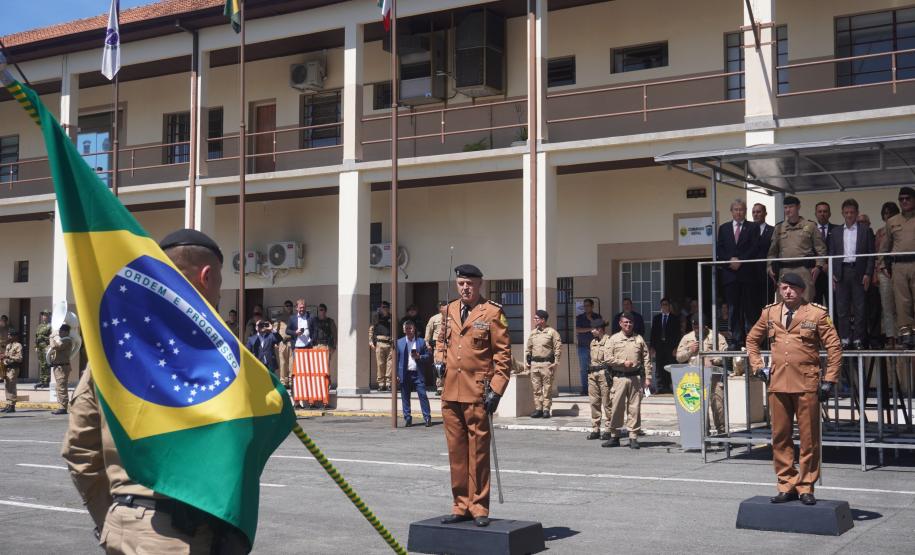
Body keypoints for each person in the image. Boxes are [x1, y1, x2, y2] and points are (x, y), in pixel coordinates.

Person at [63, 228, 247, 552]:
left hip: (120, 527)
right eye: (220, 280)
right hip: (181, 536)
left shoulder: (111, 352)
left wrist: (117, 515)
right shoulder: (218, 360)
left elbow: (80, 450)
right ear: (206, 277)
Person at [746, 272, 841, 505]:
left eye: (792, 288)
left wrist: (829, 379)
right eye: (784, 287)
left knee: (809, 439)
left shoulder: (817, 314)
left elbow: (834, 347)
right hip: (778, 383)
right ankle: (786, 483)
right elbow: (752, 340)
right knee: (780, 437)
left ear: (801, 291)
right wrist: (758, 366)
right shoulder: (769, 312)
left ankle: (806, 485)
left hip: (806, 384)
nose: (787, 291)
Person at [434, 264, 511, 527]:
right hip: (451, 392)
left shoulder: (492, 312)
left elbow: (503, 356)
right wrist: (438, 360)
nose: (465, 288)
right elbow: (441, 342)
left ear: (480, 285)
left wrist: (497, 390)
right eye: (461, 283)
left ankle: (479, 507)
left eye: (470, 283)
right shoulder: (449, 311)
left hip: (478, 392)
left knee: (478, 453)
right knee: (456, 453)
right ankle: (460, 505)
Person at [829, 199, 875, 349]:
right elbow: (832, 254)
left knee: (860, 307)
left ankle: (858, 340)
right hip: (841, 272)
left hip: (859, 271)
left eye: (852, 212)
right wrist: (833, 274)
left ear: (856, 213)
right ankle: (845, 339)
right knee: (842, 308)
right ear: (842, 213)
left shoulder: (865, 230)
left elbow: (870, 254)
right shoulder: (835, 232)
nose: (849, 215)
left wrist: (868, 273)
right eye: (846, 212)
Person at [604, 313, 651, 449]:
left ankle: (633, 437)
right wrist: (622, 362)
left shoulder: (639, 339)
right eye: (625, 322)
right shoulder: (613, 339)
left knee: (634, 408)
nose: (628, 325)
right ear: (620, 323)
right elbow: (607, 358)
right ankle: (614, 436)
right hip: (619, 378)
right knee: (617, 407)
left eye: (630, 322)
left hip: (635, 378)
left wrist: (647, 378)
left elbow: (646, 360)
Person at [767, 195, 827, 302]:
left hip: (804, 271)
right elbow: (772, 252)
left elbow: (821, 249)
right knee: (785, 304)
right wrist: (769, 267)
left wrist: (818, 266)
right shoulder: (779, 228)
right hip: (784, 271)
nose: (788, 210)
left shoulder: (810, 226)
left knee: (805, 304)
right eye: (785, 207)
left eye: (791, 207)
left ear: (798, 207)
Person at [676, 316, 727, 435]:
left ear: (705, 326)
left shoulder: (716, 336)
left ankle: (722, 432)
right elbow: (679, 357)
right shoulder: (687, 338)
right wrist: (690, 351)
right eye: (694, 326)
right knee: (699, 407)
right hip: (695, 378)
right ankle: (704, 434)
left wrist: (714, 360)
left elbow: (725, 353)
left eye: (699, 326)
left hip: (713, 377)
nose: (696, 329)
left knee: (718, 405)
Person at [717, 199, 758, 349]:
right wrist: (730, 260)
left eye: (741, 209)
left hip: (746, 273)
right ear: (731, 211)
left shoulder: (752, 227)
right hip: (730, 275)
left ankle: (750, 339)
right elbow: (719, 249)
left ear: (745, 211)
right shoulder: (724, 228)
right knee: (733, 309)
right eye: (735, 209)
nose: (738, 212)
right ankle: (735, 339)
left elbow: (755, 247)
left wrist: (741, 260)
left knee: (748, 308)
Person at [879, 187, 915, 348]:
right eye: (901, 199)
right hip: (899, 265)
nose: (905, 201)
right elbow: (885, 247)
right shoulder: (892, 221)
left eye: (908, 198)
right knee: (902, 301)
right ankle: (906, 332)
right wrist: (883, 265)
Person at [525, 309, 562, 418]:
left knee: (547, 388)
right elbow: (528, 348)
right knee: (536, 389)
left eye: (536, 318)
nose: (534, 320)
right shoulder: (533, 333)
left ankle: (546, 409)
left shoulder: (552, 332)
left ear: (543, 320)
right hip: (534, 364)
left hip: (547, 364)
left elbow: (558, 348)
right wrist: (528, 362)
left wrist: (556, 362)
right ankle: (538, 409)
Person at [397, 320, 432, 427]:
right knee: (405, 397)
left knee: (422, 395)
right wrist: (396, 374)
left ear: (414, 329)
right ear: (404, 330)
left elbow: (428, 356)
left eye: (410, 328)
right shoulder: (399, 342)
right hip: (405, 373)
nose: (408, 330)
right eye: (406, 328)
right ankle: (407, 418)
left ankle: (427, 417)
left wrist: (419, 357)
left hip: (418, 374)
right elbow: (395, 360)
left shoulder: (421, 342)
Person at [875, 202, 900, 346]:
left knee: (902, 305)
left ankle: (904, 333)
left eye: (890, 213)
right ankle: (891, 335)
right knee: (887, 306)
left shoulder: (900, 228)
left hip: (899, 269)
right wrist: (882, 267)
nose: (888, 216)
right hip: (884, 273)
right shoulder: (880, 232)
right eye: (885, 213)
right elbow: (878, 252)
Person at [586, 319, 613, 442]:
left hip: (604, 373)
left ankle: (608, 429)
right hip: (592, 374)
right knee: (594, 402)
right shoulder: (593, 342)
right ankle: (595, 428)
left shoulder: (609, 341)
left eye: (593, 329)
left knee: (607, 402)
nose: (591, 331)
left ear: (600, 329)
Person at [649, 298, 680, 394]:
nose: (664, 306)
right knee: (659, 367)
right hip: (659, 346)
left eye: (666, 304)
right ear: (661, 306)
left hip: (670, 347)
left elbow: (677, 334)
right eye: (663, 304)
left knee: (670, 366)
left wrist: (676, 348)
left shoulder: (674, 318)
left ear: (669, 306)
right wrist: (652, 347)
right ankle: (660, 387)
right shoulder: (657, 318)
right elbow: (653, 333)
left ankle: (671, 387)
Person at [814, 202, 841, 305]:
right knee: (816, 306)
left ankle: (833, 322)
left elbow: (839, 250)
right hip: (816, 273)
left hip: (832, 273)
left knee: (833, 304)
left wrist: (829, 265)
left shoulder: (837, 230)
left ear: (829, 214)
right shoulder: (810, 230)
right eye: (819, 211)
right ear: (815, 214)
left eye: (825, 211)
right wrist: (820, 264)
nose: (822, 214)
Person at [751, 203, 776, 314]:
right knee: (752, 306)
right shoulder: (747, 230)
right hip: (751, 274)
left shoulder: (773, 230)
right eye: (754, 212)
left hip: (767, 274)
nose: (756, 214)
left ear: (765, 213)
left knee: (767, 305)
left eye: (758, 212)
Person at [575, 299, 602, 395]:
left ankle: (595, 388)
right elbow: (578, 330)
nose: (586, 308)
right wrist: (591, 328)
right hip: (583, 347)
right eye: (584, 306)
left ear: (592, 306)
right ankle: (585, 389)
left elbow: (600, 329)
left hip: (596, 347)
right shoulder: (580, 317)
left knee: (596, 368)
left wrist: (591, 320)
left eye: (588, 306)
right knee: (584, 369)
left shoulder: (597, 317)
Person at [48, 323, 75, 415]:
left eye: (62, 331)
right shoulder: (60, 340)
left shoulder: (67, 340)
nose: (59, 333)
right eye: (59, 331)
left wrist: (52, 338)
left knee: (62, 387)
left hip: (62, 367)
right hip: (58, 366)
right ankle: (61, 405)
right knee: (59, 387)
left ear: (66, 332)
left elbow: (56, 346)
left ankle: (63, 407)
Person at [369, 301, 394, 391]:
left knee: (390, 365)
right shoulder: (376, 317)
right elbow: (371, 329)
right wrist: (370, 341)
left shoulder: (392, 317)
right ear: (381, 308)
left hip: (390, 342)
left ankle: (388, 383)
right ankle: (381, 384)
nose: (385, 309)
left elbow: (396, 329)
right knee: (380, 364)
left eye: (386, 307)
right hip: (379, 343)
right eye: (383, 307)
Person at [424, 301, 448, 395]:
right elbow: (428, 330)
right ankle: (440, 387)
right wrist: (427, 342)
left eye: (445, 306)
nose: (443, 308)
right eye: (441, 306)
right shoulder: (434, 318)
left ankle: (448, 386)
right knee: (439, 365)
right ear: (439, 308)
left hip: (450, 344)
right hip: (438, 345)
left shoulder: (452, 317)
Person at [1, 329, 22, 413]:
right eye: (8, 335)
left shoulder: (18, 345)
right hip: (7, 368)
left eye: (10, 335)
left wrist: (9, 357)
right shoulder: (8, 345)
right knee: (7, 386)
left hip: (13, 368)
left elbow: (19, 358)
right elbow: (6, 356)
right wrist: (3, 360)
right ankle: (8, 404)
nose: (9, 336)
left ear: (15, 336)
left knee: (11, 386)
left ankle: (12, 405)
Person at [275, 300, 294, 389]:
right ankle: (283, 382)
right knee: (282, 363)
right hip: (282, 342)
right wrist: (276, 342)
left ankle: (291, 382)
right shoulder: (279, 317)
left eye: (290, 305)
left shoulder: (294, 317)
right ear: (284, 306)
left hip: (292, 341)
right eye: (287, 305)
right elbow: (275, 330)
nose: (288, 307)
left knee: (292, 364)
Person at [34, 310, 52, 388]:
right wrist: (36, 346)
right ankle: (41, 380)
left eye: (46, 315)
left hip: (46, 346)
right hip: (40, 346)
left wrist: (44, 337)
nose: (44, 317)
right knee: (41, 364)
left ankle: (46, 381)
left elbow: (51, 337)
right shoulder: (40, 326)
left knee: (46, 363)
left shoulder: (50, 326)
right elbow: (36, 337)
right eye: (44, 315)